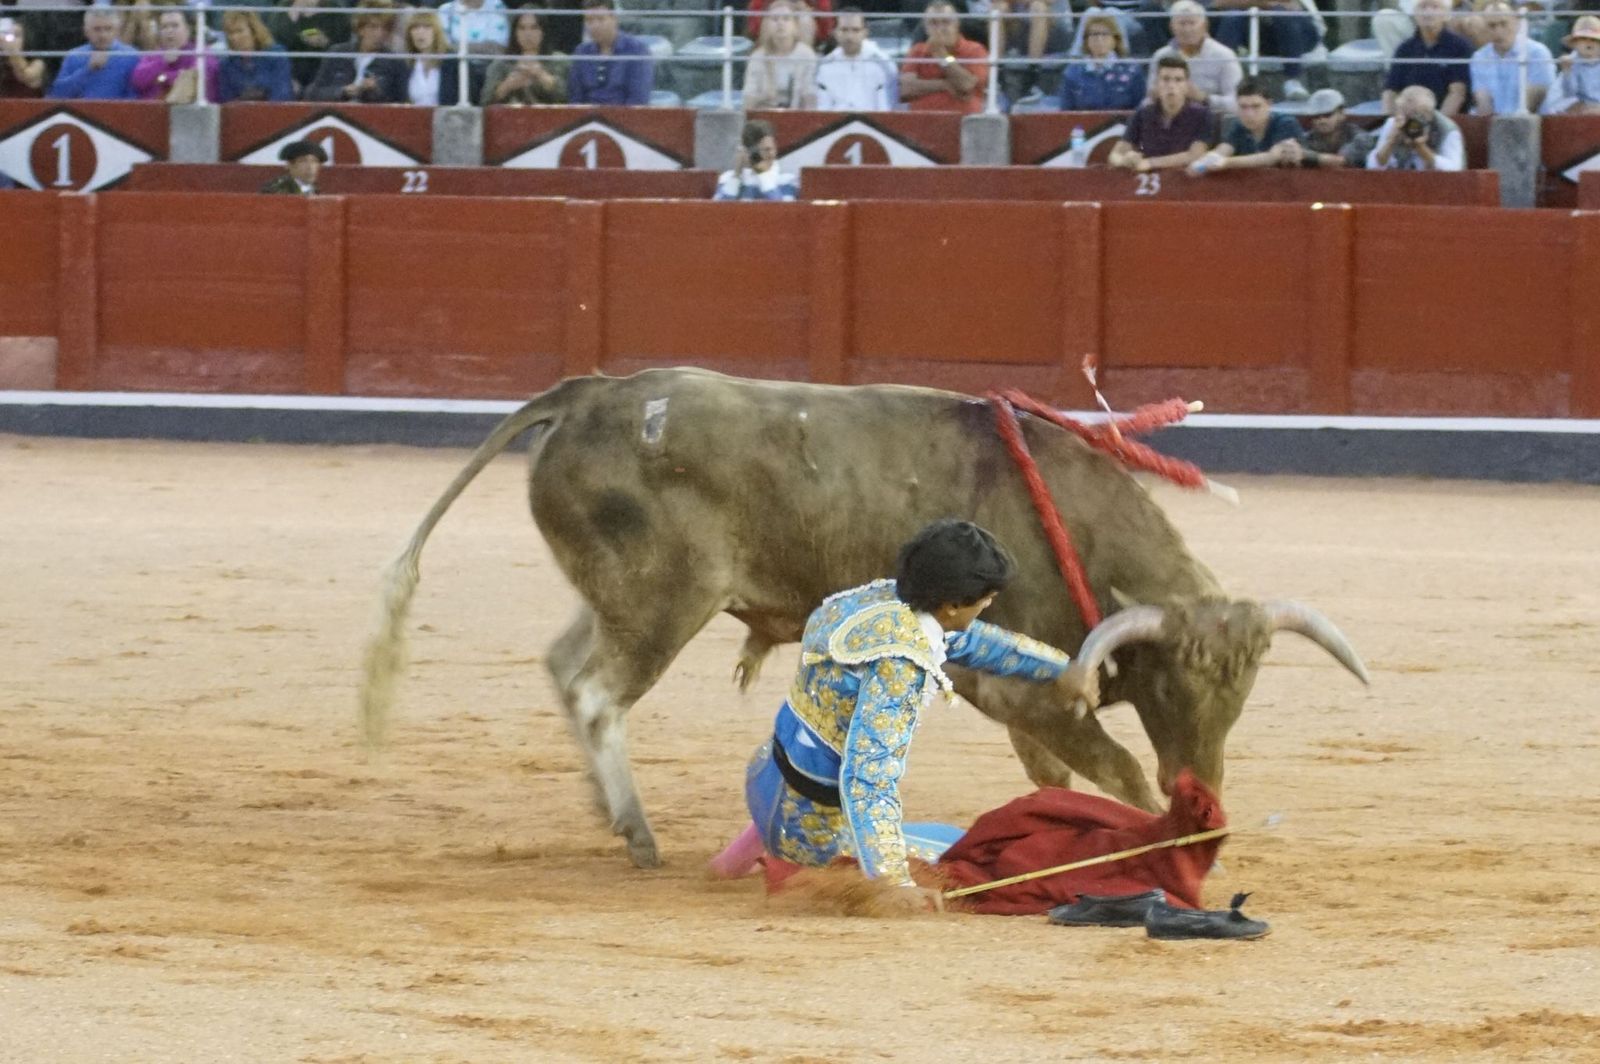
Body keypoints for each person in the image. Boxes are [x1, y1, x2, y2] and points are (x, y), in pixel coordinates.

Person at [735, 520, 1099, 912]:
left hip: (764, 777)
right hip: (809, 830)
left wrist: (1058, 669)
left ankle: (755, 841)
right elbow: (868, 778)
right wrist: (893, 881)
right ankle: (788, 853)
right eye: (985, 600)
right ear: (952, 606)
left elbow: (967, 640)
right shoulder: (900, 665)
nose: (987, 606)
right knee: (963, 851)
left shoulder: (875, 601)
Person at [1110, 54, 1213, 171]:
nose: (1171, 86)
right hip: (1148, 180)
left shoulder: (1202, 114)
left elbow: (1195, 155)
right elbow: (1115, 155)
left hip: (1186, 181)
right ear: (1156, 84)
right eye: (1165, 79)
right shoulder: (1143, 112)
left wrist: (1151, 162)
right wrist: (1125, 160)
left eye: (1178, 80)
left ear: (1187, 85)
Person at [1204, 0, 1321, 100]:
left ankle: (1293, 80)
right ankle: (1219, 80)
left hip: (1301, 34)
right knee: (1233, 16)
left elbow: (1286, 3)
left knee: (1280, 12)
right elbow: (1217, 3)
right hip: (1265, 35)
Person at [1189, 76, 1304, 173]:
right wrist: (1201, 163)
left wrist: (1225, 162)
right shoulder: (1238, 126)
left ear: (1269, 104)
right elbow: (1223, 150)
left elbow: (1272, 157)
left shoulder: (1286, 123)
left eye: (1256, 106)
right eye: (1243, 107)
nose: (1249, 114)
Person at [1146, 0, 1241, 112]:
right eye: (1182, 24)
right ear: (1171, 27)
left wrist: (1204, 98)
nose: (1187, 29)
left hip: (1211, 121)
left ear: (1205, 25)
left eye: (1192, 23)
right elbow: (1149, 99)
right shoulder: (1160, 56)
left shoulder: (1225, 55)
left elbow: (1237, 102)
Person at [306, 0, 407, 103]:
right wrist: (342, 91)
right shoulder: (337, 53)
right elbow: (313, 93)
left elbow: (401, 103)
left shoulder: (395, 62)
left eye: (385, 28)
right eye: (373, 27)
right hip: (336, 115)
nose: (380, 34)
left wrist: (375, 92)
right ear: (360, 28)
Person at [900, 0, 990, 114]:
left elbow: (967, 85)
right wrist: (945, 84)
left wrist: (943, 57)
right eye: (933, 23)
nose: (940, 28)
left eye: (946, 22)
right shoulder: (917, 50)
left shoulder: (975, 50)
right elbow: (906, 89)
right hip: (921, 122)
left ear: (957, 24)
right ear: (925, 27)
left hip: (962, 121)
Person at [1383, 0, 1471, 115]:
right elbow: (1390, 91)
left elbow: (1457, 93)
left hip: (1444, 121)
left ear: (1446, 14)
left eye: (1435, 7)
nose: (1428, 12)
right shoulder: (1405, 49)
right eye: (1423, 7)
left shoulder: (1459, 47)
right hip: (1408, 121)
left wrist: (1437, 125)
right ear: (1414, 13)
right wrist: (1390, 121)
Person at [1470, 2, 1555, 114]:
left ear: (1516, 23)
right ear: (1485, 28)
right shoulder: (1479, 57)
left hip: (1531, 124)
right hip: (1493, 124)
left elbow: (1531, 104)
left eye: (1504, 24)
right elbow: (1483, 104)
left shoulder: (1538, 53)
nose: (1498, 31)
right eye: (1492, 26)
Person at [567, 0, 653, 106]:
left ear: (614, 19)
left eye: (600, 19)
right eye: (589, 21)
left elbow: (638, 99)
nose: (594, 26)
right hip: (587, 119)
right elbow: (575, 99)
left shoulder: (637, 50)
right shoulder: (581, 52)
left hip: (625, 118)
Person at [1367, 84, 1465, 170]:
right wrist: (1390, 142)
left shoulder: (1447, 130)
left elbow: (1454, 170)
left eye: (1417, 116)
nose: (1411, 124)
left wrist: (1421, 148)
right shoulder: (1393, 123)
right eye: (1407, 116)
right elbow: (1373, 167)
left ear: (1429, 115)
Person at [482, 7, 567, 106]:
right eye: (522, 28)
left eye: (534, 28)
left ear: (543, 31)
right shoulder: (501, 63)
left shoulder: (560, 60)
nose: (528, 34)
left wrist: (542, 76)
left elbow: (571, 98)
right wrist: (507, 86)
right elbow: (484, 103)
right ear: (514, 33)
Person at [47, 9, 139, 100]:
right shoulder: (74, 56)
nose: (103, 35)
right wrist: (88, 69)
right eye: (97, 29)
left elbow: (136, 96)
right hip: (79, 113)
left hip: (119, 113)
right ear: (86, 31)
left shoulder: (131, 56)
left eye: (108, 29)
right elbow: (56, 95)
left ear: (117, 30)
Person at [1058, 13, 1143, 110]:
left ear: (1115, 39)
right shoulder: (1072, 72)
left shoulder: (1132, 70)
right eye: (1094, 35)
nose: (1099, 39)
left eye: (1105, 34)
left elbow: (1140, 110)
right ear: (1086, 41)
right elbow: (1065, 112)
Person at [130, 10, 218, 103]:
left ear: (188, 30)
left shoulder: (201, 53)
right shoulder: (156, 54)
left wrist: (162, 78)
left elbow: (192, 78)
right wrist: (162, 62)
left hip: (190, 112)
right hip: (152, 111)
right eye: (164, 27)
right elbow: (138, 80)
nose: (169, 31)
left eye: (175, 26)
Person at [743, 0, 817, 110]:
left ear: (795, 25)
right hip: (764, 116)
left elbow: (810, 98)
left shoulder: (807, 55)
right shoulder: (757, 56)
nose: (780, 23)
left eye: (786, 19)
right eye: (775, 19)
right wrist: (764, 97)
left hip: (797, 117)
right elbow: (747, 101)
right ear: (766, 24)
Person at [815, 8, 894, 111]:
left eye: (855, 30)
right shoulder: (824, 66)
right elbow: (822, 109)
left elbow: (886, 109)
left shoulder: (882, 64)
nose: (849, 36)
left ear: (865, 32)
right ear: (834, 32)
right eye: (844, 30)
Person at [269, 0, 350, 92]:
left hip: (323, 73)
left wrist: (326, 43)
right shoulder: (283, 9)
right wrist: (292, 16)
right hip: (290, 71)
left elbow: (344, 49)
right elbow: (274, 41)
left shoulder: (336, 13)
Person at [218, 10, 294, 102]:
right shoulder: (226, 65)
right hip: (241, 113)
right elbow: (227, 100)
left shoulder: (276, 55)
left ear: (254, 32)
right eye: (230, 33)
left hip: (273, 112)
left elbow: (282, 93)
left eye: (239, 31)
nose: (234, 37)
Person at [713, 119, 799, 201]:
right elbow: (716, 211)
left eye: (770, 149)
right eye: (762, 151)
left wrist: (763, 174)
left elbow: (783, 211)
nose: (771, 154)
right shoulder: (727, 179)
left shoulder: (787, 180)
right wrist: (736, 175)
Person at [401, 11, 472, 105]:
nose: (420, 32)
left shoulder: (454, 62)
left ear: (437, 31)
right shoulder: (404, 64)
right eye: (415, 28)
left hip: (444, 118)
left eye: (427, 27)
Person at [1300, 88, 1375, 168]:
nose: (1321, 120)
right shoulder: (1307, 139)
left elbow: (1342, 161)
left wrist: (1304, 156)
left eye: (1327, 114)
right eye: (1316, 116)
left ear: (1341, 113)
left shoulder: (1360, 137)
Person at [1542, 15, 1600, 114]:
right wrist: (1567, 72)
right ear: (1574, 44)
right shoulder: (1571, 63)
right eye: (1583, 38)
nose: (1589, 43)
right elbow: (1568, 94)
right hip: (1579, 110)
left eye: (1594, 40)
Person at [437, 0, 511, 55]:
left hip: (491, 68)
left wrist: (462, 47)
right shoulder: (445, 10)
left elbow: (500, 49)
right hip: (456, 67)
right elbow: (445, 50)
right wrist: (483, 47)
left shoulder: (497, 5)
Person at [1, 16, 47, 98]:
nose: (11, 39)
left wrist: (12, 51)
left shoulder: (37, 63)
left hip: (29, 108)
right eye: (6, 34)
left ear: (25, 38)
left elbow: (26, 77)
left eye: (16, 35)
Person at [261, 140, 325, 195]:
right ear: (289, 165)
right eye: (303, 161)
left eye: (314, 161)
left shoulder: (316, 191)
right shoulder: (275, 190)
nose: (310, 167)